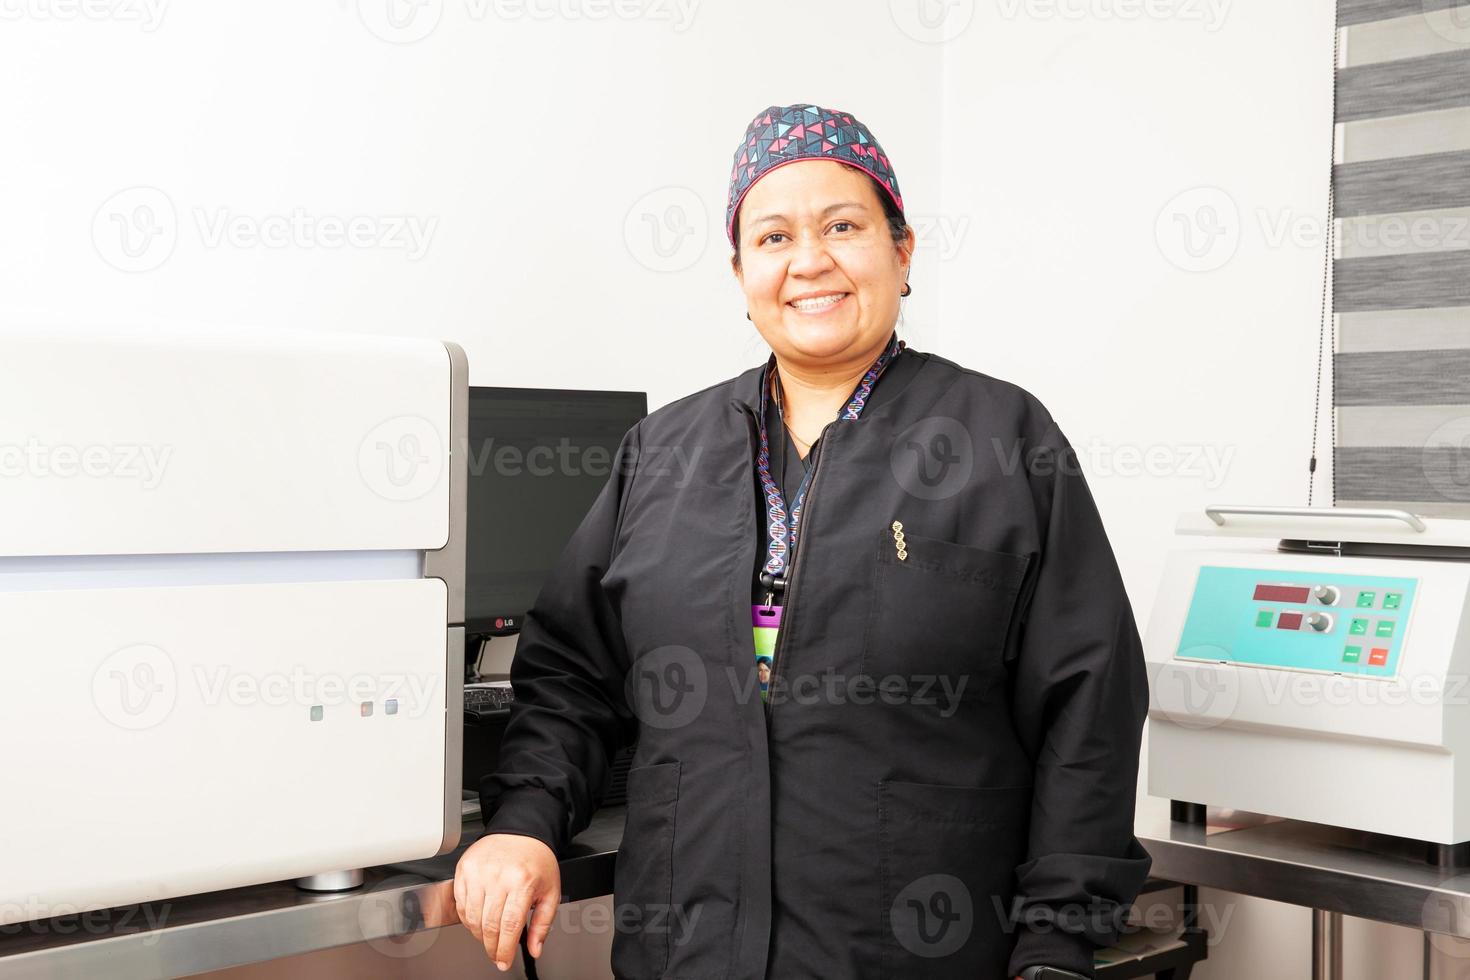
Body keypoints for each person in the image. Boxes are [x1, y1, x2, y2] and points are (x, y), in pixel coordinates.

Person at [454, 102, 1151, 980]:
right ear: (742, 270)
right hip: (691, 951)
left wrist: (1057, 941)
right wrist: (524, 823)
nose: (809, 260)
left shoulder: (1003, 439)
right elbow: (571, 675)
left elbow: (1089, 704)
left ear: (901, 253)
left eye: (844, 226)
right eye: (774, 236)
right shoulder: (662, 452)